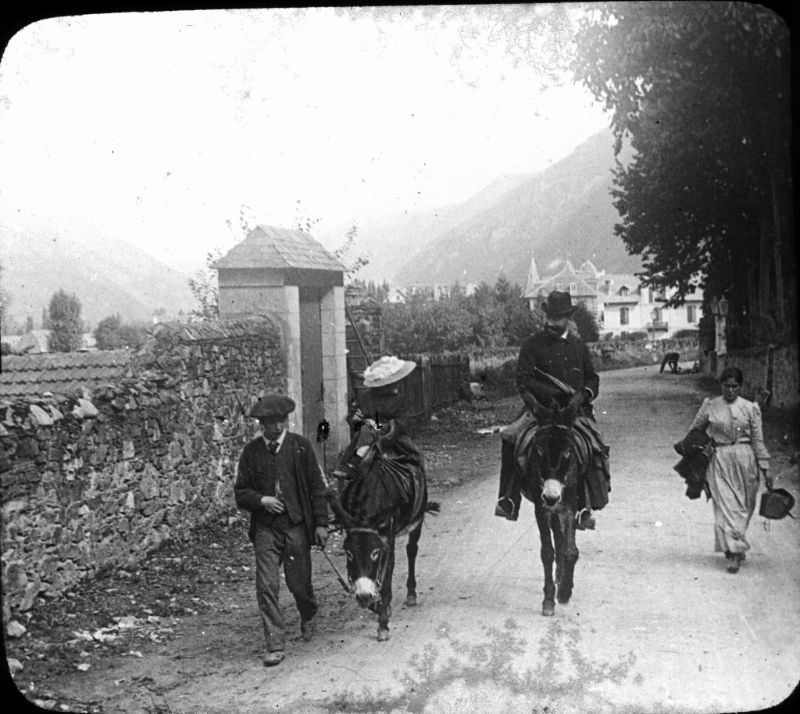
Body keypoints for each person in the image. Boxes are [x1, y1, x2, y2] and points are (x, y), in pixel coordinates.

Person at [494, 290, 610, 527]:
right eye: (549, 317)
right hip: (539, 412)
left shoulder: (578, 347)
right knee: (510, 438)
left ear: (567, 318)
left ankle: (586, 506)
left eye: (557, 318)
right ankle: (508, 499)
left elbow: (592, 379)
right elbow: (523, 380)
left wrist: (581, 397)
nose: (551, 323)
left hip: (573, 412)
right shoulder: (532, 345)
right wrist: (537, 404)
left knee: (594, 444)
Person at [234, 393, 330, 666]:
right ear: (261, 424)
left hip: (296, 526)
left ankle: (308, 612)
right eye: (271, 422)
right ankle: (274, 644)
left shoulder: (300, 447)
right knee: (266, 585)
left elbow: (316, 488)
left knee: (298, 584)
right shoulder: (251, 453)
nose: (277, 427)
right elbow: (241, 492)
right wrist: (261, 500)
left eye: (281, 421)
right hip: (266, 529)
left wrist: (321, 524)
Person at [686, 367, 771, 573]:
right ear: (721, 385)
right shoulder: (710, 405)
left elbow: (758, 441)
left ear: (740, 387)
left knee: (744, 507)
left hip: (746, 460)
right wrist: (702, 448)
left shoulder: (750, 408)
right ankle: (733, 552)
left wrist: (765, 467)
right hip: (720, 460)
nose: (730, 390)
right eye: (726, 386)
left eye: (734, 386)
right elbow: (695, 431)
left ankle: (736, 542)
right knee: (726, 507)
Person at [335, 356, 424, 521]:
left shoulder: (402, 398)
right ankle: (347, 506)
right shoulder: (364, 396)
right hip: (366, 435)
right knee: (359, 442)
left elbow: (404, 421)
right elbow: (353, 415)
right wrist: (357, 418)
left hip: (393, 436)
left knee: (416, 461)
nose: (394, 385)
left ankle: (417, 501)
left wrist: (386, 428)